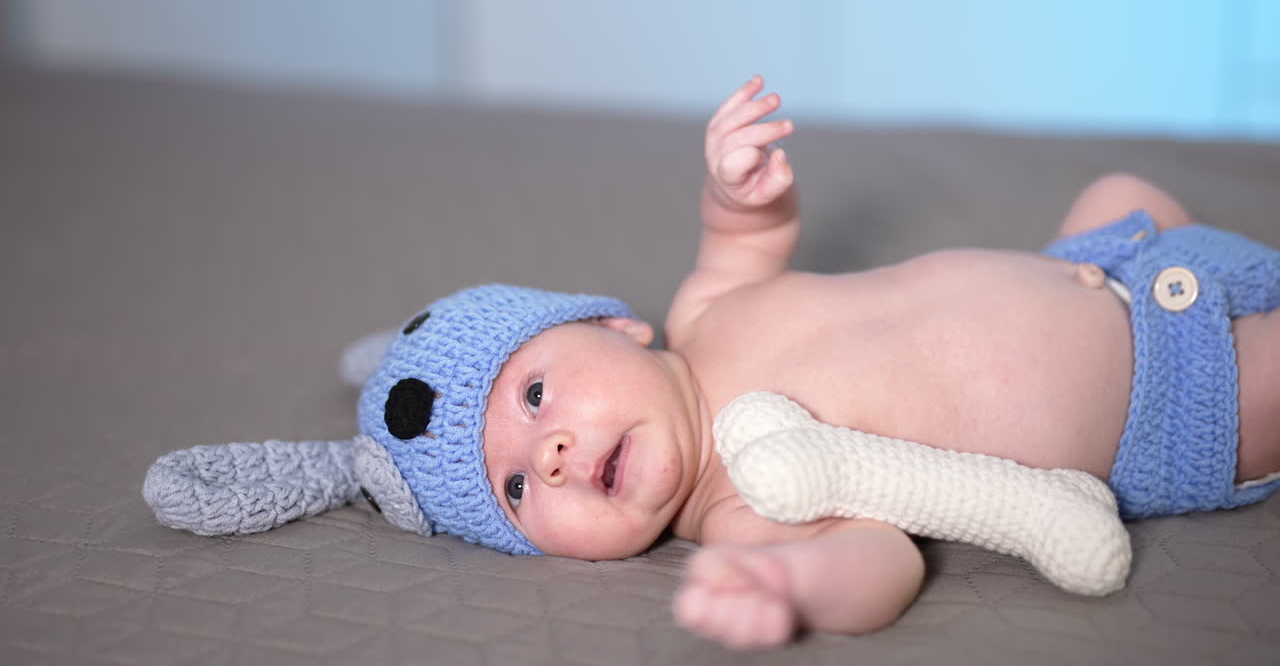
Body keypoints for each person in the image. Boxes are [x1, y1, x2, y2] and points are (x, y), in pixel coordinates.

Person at [145, 76, 1280, 650]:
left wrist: (740, 185)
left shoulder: (703, 307)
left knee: (1118, 185)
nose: (545, 448)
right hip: (1173, 405)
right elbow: (879, 562)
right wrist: (788, 587)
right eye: (512, 489)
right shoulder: (736, 504)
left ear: (614, 325)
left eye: (533, 393)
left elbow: (748, 237)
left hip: (1108, 259)